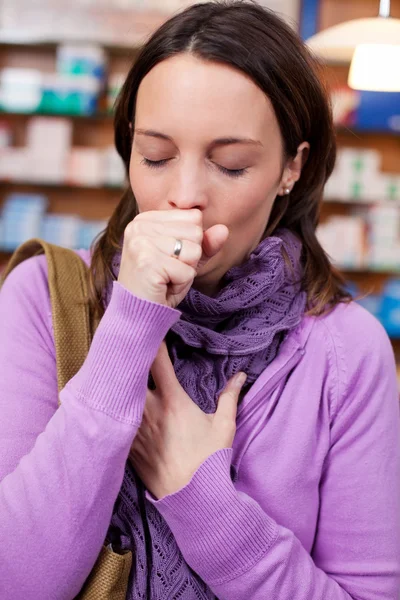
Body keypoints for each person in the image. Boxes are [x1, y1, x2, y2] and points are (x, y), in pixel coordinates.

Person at [1, 1, 399, 599]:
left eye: (232, 165)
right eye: (156, 157)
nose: (184, 197)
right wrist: (129, 324)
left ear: (293, 167)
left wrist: (202, 497)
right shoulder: (40, 298)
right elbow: (16, 582)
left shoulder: (347, 351)